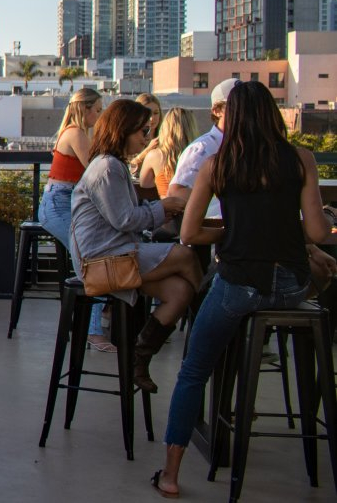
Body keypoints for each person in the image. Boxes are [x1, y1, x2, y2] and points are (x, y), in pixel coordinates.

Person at [152, 80, 326, 498]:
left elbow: (189, 234)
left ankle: (171, 475)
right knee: (322, 276)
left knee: (194, 370)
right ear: (271, 114)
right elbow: (318, 232)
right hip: (291, 287)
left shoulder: (217, 165)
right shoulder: (301, 159)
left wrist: (233, 233)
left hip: (239, 285)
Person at [70, 100, 201, 394]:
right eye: (143, 130)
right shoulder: (108, 167)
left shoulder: (110, 165)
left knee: (179, 292)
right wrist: (163, 208)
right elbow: (125, 219)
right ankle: (209, 334)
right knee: (186, 255)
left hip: (112, 255)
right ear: (123, 130)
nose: (147, 137)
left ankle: (139, 358)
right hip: (101, 261)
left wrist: (159, 211)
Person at [40, 87, 110, 348]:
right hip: (59, 205)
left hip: (64, 203)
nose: (99, 116)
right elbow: (97, 170)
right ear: (85, 109)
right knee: (94, 257)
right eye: (98, 110)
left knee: (98, 253)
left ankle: (98, 318)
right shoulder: (76, 133)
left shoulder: (75, 133)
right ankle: (92, 330)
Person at [166, 78, 240, 214]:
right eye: (236, 105)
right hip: (213, 225)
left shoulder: (248, 145)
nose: (244, 110)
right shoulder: (202, 148)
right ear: (217, 110)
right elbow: (176, 192)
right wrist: (217, 204)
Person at [138, 108, 198, 201]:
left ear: (165, 127)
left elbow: (145, 183)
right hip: (198, 207)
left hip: (169, 207)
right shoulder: (200, 153)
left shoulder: (155, 155)